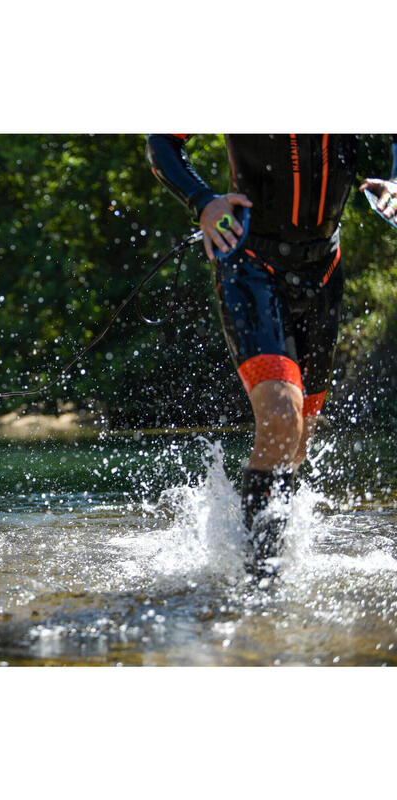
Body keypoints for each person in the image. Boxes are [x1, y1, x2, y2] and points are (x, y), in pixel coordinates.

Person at [146, 134, 397, 579]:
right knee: (282, 417)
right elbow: (162, 142)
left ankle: (267, 567)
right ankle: (259, 585)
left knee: (298, 438)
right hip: (249, 262)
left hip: (323, 266)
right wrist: (203, 201)